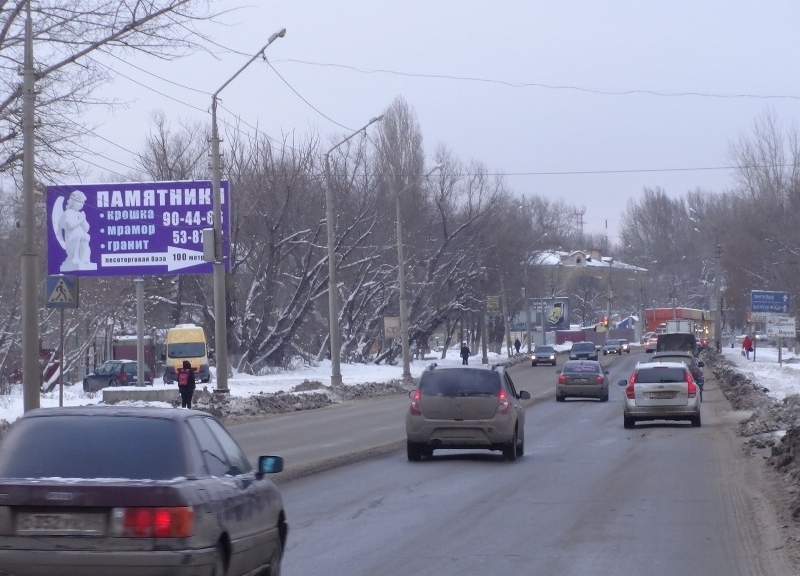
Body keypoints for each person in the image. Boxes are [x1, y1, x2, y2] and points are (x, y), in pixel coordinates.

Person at [58, 189, 96, 271]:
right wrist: (80, 220)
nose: (81, 205)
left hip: (81, 236)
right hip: (72, 239)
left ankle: (84, 259)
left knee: (85, 237)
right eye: (79, 202)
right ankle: (75, 258)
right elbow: (70, 225)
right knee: (82, 237)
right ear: (72, 202)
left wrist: (83, 220)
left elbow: (87, 228)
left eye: (82, 203)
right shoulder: (68, 213)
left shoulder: (80, 214)